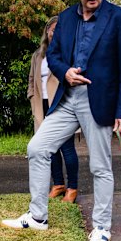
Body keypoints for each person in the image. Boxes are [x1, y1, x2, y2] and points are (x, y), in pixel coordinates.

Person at [2, 0, 121, 241]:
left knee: (100, 166)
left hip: (98, 100)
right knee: (37, 148)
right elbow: (53, 54)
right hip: (66, 99)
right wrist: (64, 72)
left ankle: (101, 227)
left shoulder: (120, 18)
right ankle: (38, 216)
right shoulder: (64, 19)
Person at [28, 16, 79, 203]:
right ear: (47, 31)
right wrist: (31, 96)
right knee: (47, 148)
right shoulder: (38, 55)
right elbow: (32, 79)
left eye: (59, 29)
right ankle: (58, 184)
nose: (54, 32)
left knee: (67, 148)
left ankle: (72, 188)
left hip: (60, 104)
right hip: (41, 106)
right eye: (52, 28)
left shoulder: (68, 54)